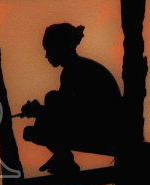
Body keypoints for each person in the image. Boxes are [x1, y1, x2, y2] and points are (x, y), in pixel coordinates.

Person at [20, 23, 122, 175]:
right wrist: (40, 111)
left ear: (60, 48)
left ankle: (64, 157)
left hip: (102, 128)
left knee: (50, 103)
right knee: (51, 102)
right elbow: (69, 108)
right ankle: (63, 157)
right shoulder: (80, 67)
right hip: (105, 124)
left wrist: (37, 111)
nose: (47, 56)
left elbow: (65, 111)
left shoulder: (73, 71)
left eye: (49, 50)